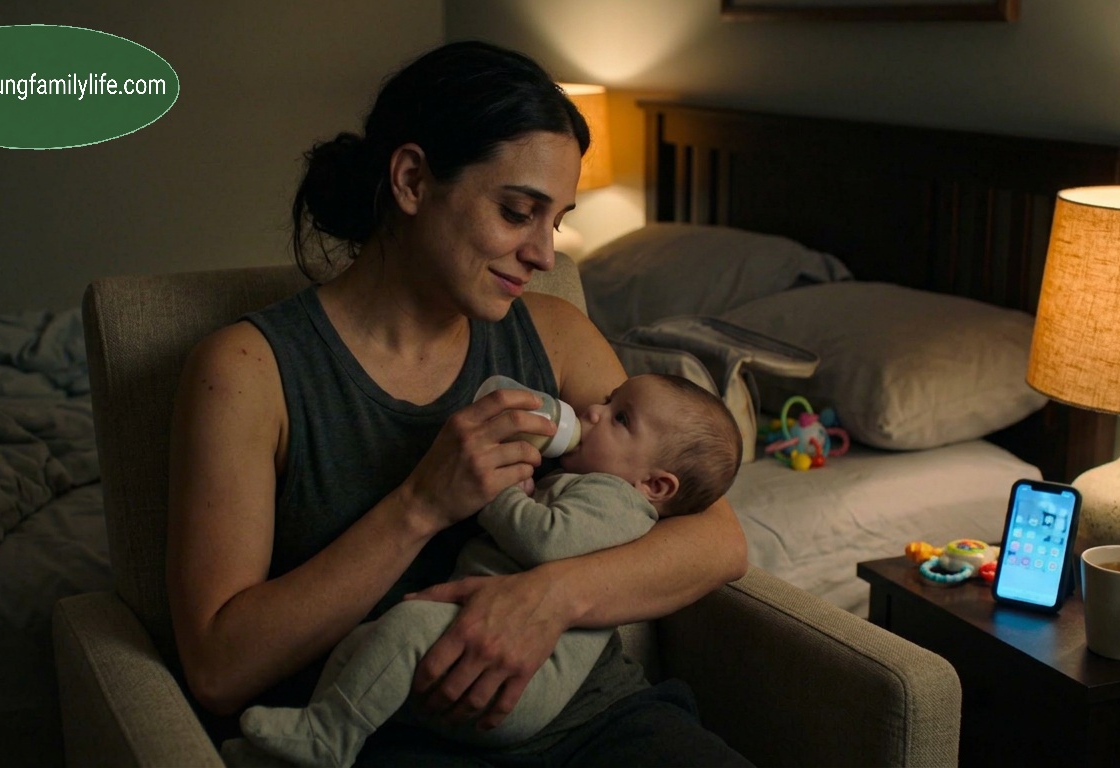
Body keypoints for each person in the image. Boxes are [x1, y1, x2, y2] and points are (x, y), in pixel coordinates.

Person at [166, 39, 752, 767]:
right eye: (517, 211)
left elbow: (716, 538)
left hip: (600, 721)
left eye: (556, 221)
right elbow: (220, 668)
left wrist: (551, 597)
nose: (544, 253)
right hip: (391, 736)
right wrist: (421, 503)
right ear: (412, 180)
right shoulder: (251, 371)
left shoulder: (556, 334)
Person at [228, 373, 743, 767]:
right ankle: (309, 737)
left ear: (656, 486)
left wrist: (497, 495)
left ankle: (330, 738)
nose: (591, 409)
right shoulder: (589, 479)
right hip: (470, 658)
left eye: (620, 418)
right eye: (609, 400)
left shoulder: (619, 502)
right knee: (368, 642)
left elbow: (549, 541)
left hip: (526, 686)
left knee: (402, 630)